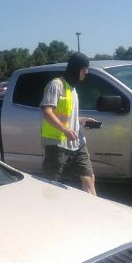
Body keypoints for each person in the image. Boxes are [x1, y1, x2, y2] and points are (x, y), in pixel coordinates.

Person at [40, 52, 98, 195]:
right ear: (76, 68)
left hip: (77, 143)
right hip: (57, 144)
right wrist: (65, 130)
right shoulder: (56, 85)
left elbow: (67, 116)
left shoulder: (72, 88)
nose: (86, 73)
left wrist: (81, 120)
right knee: (52, 185)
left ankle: (94, 212)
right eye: (84, 69)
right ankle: (49, 213)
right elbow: (47, 112)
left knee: (89, 177)